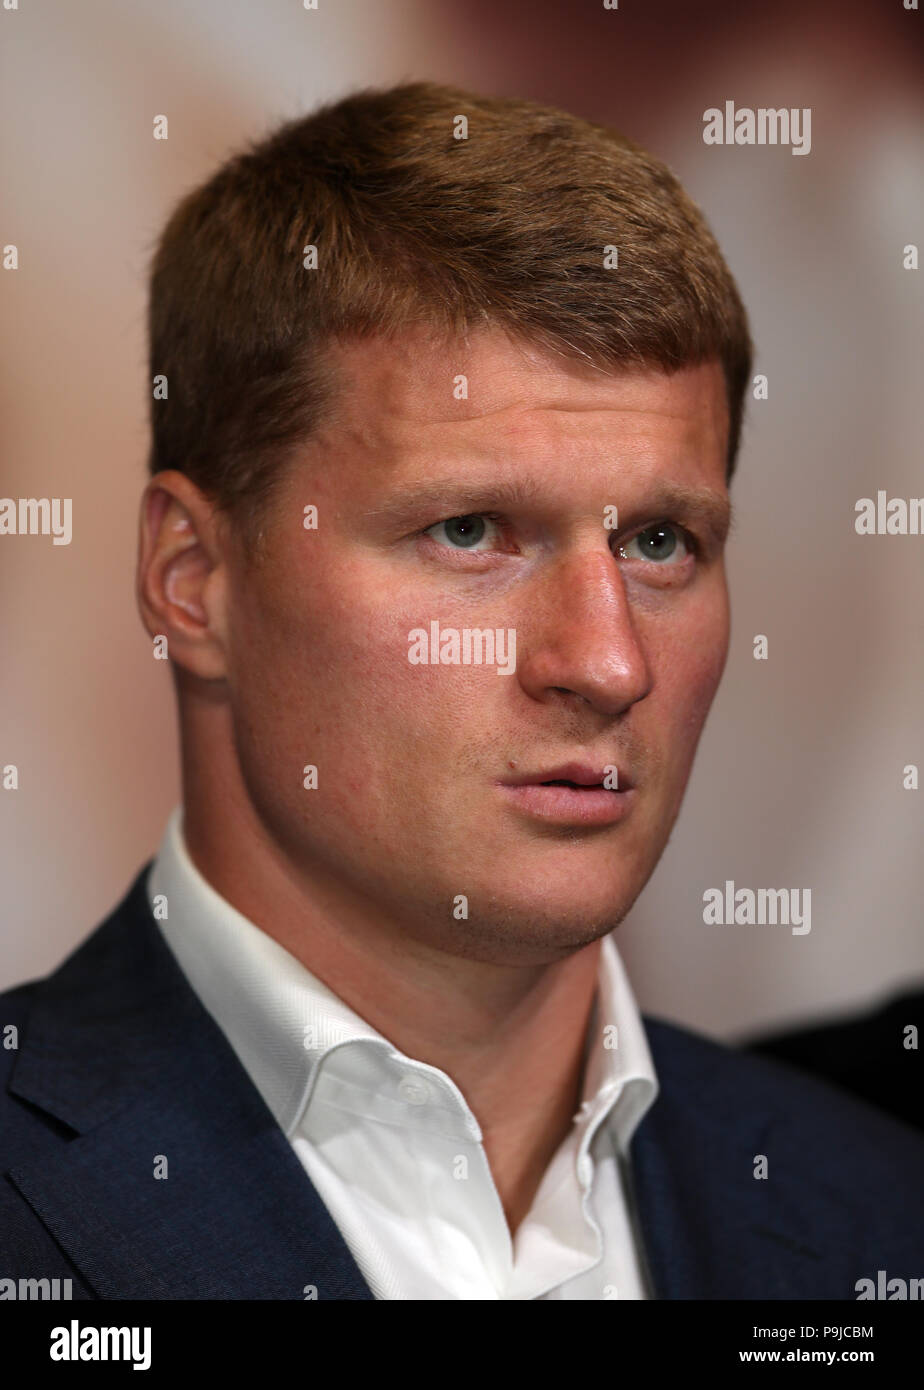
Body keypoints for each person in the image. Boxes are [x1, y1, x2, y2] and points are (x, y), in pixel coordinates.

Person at [2, 80, 922, 1302]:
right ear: (194, 578)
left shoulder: (882, 1213)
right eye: (472, 529)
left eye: (659, 543)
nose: (607, 663)